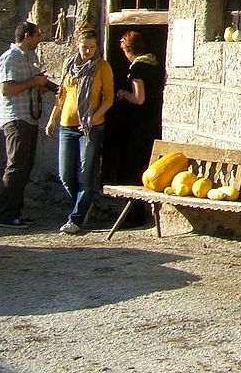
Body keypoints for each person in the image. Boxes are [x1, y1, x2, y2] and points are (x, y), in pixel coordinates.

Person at [45, 29, 114, 235]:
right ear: (78, 45)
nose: (88, 51)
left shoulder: (102, 67)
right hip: (67, 125)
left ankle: (76, 218)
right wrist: (52, 119)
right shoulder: (69, 64)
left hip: (91, 127)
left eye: (92, 47)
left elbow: (108, 98)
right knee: (65, 173)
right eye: (85, 47)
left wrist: (94, 117)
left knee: (86, 172)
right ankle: (84, 205)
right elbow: (61, 95)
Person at [0, 21, 50, 228]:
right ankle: (5, 214)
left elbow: (27, 85)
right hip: (16, 118)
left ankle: (15, 211)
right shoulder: (10, 58)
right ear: (27, 36)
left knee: (24, 166)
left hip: (28, 117)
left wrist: (40, 87)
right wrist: (33, 83)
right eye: (36, 35)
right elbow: (6, 89)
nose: (39, 39)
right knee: (16, 166)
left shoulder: (30, 58)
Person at [112, 31, 164, 222]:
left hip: (139, 124)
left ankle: (132, 216)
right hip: (152, 122)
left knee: (132, 168)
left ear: (128, 50)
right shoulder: (154, 64)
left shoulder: (138, 69)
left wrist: (123, 93)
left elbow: (139, 98)